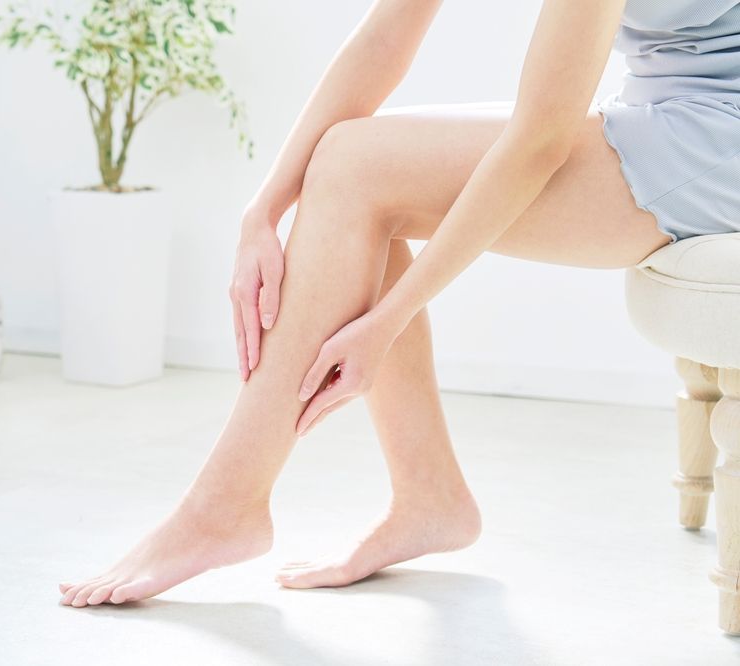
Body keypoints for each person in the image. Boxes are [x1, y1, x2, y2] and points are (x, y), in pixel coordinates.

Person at [59, 0, 740, 607]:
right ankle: (427, 497)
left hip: (719, 136)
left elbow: (539, 140)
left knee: (361, 171)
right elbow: (386, 33)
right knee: (354, 161)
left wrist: (386, 323)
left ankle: (222, 508)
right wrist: (262, 209)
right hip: (664, 108)